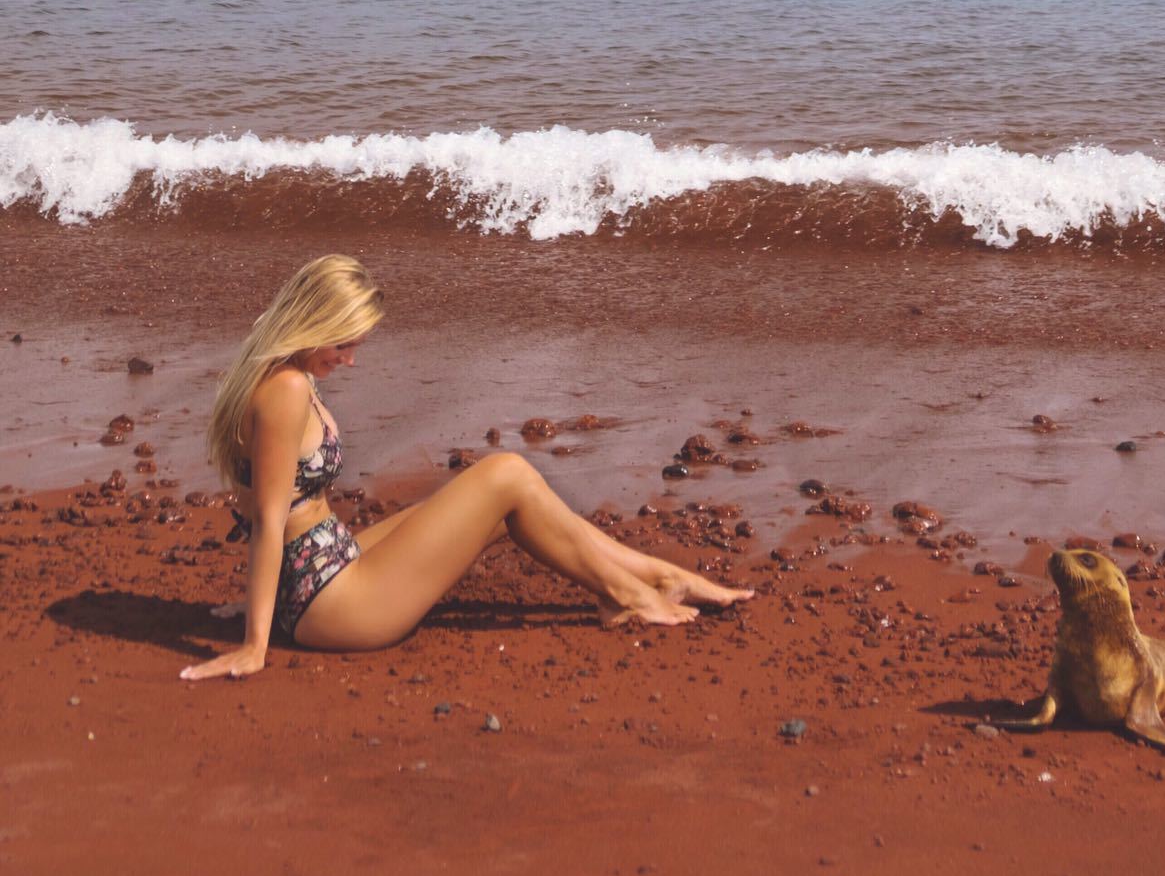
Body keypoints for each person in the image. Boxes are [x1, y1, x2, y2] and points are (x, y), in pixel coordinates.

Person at [180, 255, 751, 681]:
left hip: (322, 567)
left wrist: (265, 596)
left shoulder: (287, 374)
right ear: (313, 321)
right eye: (345, 343)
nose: (352, 358)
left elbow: (262, 505)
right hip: (328, 603)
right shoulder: (283, 389)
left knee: (504, 506)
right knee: (506, 475)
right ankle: (632, 593)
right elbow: (272, 518)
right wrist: (255, 641)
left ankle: (655, 578)